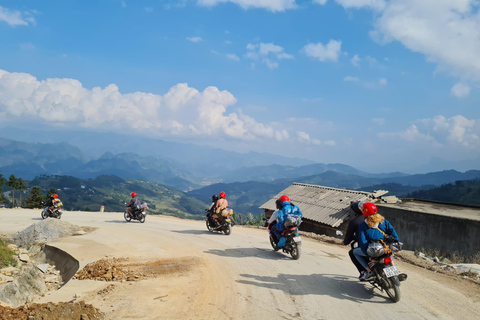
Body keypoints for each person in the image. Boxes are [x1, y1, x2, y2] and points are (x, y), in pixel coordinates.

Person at [353, 201, 399, 281]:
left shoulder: (363, 225)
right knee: (389, 256)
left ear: (364, 212)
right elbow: (394, 235)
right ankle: (396, 273)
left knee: (355, 252)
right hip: (386, 248)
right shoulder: (384, 221)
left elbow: (363, 242)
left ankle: (369, 271)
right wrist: (392, 248)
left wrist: (369, 255)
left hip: (375, 250)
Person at [342, 201, 366, 279]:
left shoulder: (355, 222)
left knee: (352, 253)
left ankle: (363, 271)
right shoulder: (376, 219)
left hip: (367, 246)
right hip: (382, 244)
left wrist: (345, 242)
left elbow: (349, 236)